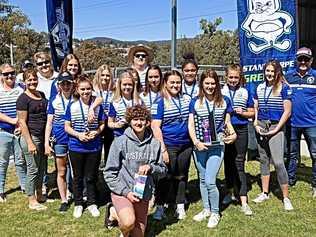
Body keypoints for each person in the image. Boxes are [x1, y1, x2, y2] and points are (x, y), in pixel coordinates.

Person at [104, 105, 167, 237]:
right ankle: (116, 215)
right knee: (128, 223)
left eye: (142, 119)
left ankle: (118, 214)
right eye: (135, 119)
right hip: (123, 190)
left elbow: (163, 170)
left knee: (138, 235)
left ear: (148, 122)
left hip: (142, 193)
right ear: (129, 121)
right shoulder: (120, 142)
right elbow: (109, 173)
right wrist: (126, 192)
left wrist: (151, 168)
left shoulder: (155, 144)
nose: (139, 123)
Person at [188, 69, 236, 228]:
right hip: (200, 146)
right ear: (202, 84)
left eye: (213, 83)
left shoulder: (225, 100)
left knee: (210, 180)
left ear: (217, 84)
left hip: (217, 146)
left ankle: (215, 212)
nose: (210, 86)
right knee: (202, 179)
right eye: (207, 83)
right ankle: (206, 209)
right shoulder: (195, 101)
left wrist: (233, 134)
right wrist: (196, 142)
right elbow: (190, 124)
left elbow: (227, 122)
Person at [253, 60, 293, 211]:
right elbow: (256, 106)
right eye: (267, 71)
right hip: (262, 125)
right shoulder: (260, 87)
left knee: (277, 162)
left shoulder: (284, 88)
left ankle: (286, 197)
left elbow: (287, 112)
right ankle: (265, 192)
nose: (269, 74)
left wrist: (277, 130)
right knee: (263, 159)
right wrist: (256, 122)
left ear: (278, 72)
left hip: (276, 126)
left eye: (272, 71)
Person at [151, 70, 192, 220]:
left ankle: (179, 205)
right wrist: (163, 149)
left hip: (186, 144)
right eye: (172, 82)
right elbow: (155, 126)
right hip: (169, 145)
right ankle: (160, 206)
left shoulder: (187, 99)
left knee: (182, 175)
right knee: (166, 176)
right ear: (166, 83)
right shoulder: (160, 101)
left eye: (178, 82)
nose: (175, 85)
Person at [64, 76, 105, 218]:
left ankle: (92, 203)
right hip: (76, 146)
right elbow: (67, 127)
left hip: (94, 147)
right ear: (77, 90)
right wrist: (78, 135)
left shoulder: (97, 105)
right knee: (78, 177)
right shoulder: (72, 105)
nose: (86, 91)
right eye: (82, 89)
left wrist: (97, 131)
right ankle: (79, 203)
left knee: (91, 176)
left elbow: (102, 124)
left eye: (88, 89)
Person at [221, 64, 254, 215]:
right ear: (226, 77)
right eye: (230, 77)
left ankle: (243, 199)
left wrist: (244, 112)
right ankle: (229, 192)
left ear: (240, 77)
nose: (233, 80)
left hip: (241, 130)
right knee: (228, 162)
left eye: (236, 77)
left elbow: (253, 112)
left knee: (239, 163)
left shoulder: (246, 91)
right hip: (226, 130)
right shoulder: (221, 91)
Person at [286, 47, 316, 197]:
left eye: (306, 59)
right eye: (300, 59)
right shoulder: (288, 77)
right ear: (296, 60)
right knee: (292, 154)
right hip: (292, 123)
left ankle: (315, 183)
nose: (303, 62)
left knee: (315, 154)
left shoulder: (315, 76)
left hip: (312, 124)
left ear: (311, 60)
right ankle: (290, 180)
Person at [17, 68, 48, 211]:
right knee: (33, 169)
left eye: (34, 79)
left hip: (42, 137)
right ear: (24, 82)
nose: (32, 81)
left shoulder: (41, 95)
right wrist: (30, 143)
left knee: (42, 168)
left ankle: (40, 195)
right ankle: (31, 199)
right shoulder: (23, 98)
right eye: (29, 79)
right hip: (31, 138)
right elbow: (22, 122)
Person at [44, 72, 74, 213]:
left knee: (75, 170)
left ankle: (76, 194)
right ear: (59, 85)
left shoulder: (77, 99)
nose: (66, 86)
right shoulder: (54, 101)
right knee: (61, 170)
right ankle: (64, 199)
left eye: (68, 83)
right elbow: (49, 123)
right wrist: (46, 143)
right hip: (60, 140)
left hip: (74, 139)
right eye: (63, 83)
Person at [0, 64, 27, 202]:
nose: (9, 76)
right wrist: (12, 120)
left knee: (20, 160)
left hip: (19, 130)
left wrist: (20, 124)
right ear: (1, 76)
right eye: (6, 74)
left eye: (12, 73)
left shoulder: (21, 88)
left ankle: (24, 187)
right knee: (2, 162)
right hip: (3, 131)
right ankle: (0, 190)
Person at [108, 71, 142, 137]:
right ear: (120, 85)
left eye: (130, 84)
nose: (127, 87)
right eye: (124, 84)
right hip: (120, 136)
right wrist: (118, 124)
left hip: (136, 136)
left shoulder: (139, 102)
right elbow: (110, 123)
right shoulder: (115, 102)